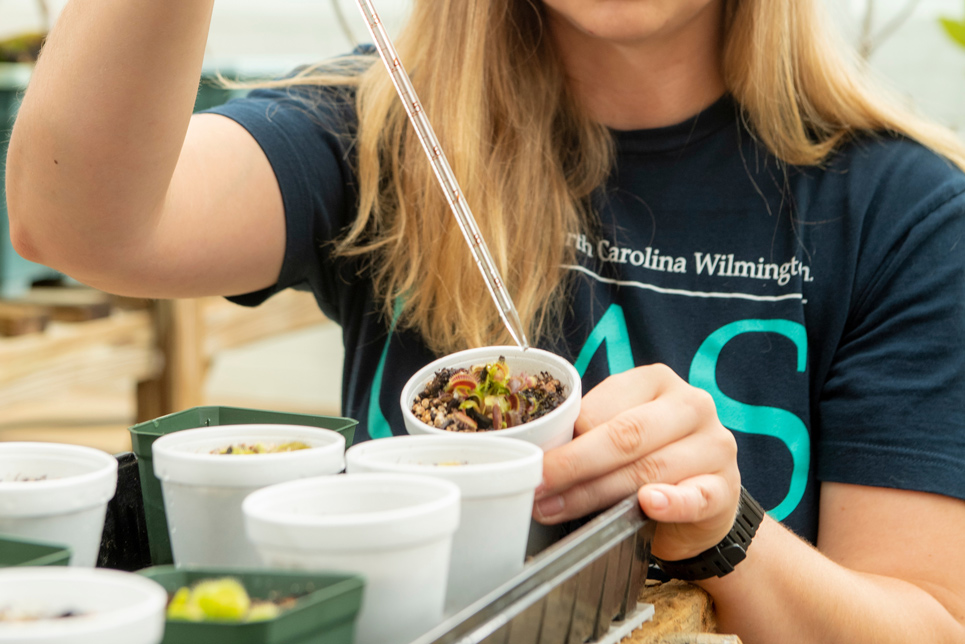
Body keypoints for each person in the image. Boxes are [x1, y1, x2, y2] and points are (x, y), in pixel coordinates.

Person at [6, 0, 965, 640]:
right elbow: (77, 222)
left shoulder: (902, 212)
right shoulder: (381, 130)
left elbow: (922, 621)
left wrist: (721, 527)